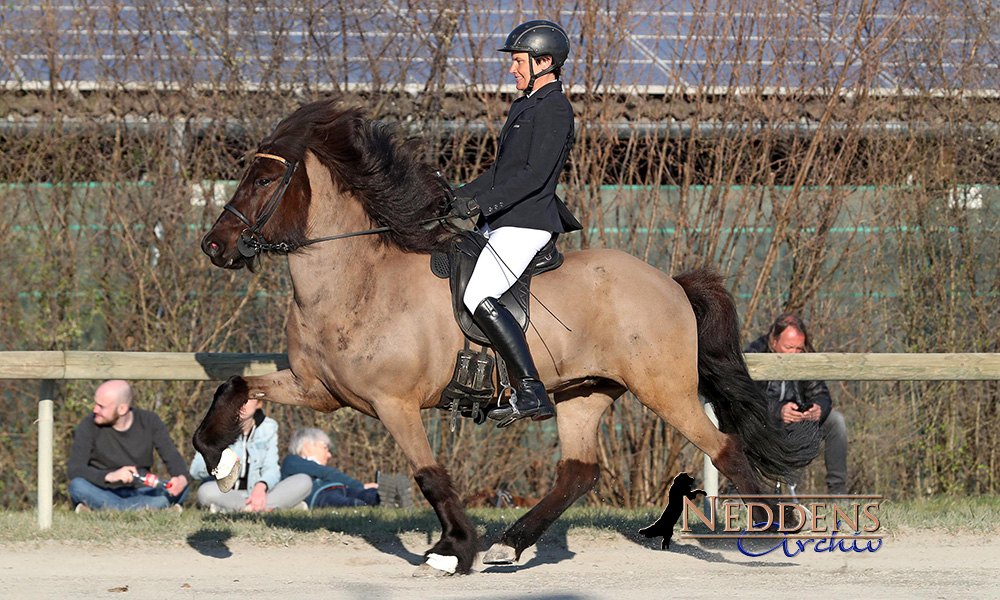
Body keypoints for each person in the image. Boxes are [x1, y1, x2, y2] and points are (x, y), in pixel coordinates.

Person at [451, 19, 582, 427]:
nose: (512, 69)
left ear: (545, 61)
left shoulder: (555, 109)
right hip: (501, 220)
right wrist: (457, 196)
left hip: (525, 223)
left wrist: (480, 204)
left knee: (479, 294)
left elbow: (533, 176)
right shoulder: (525, 105)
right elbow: (500, 172)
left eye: (519, 61)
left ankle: (531, 390)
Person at [745, 313, 849, 495]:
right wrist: (778, 411)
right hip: (763, 422)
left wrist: (818, 409)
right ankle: (740, 494)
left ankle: (839, 494)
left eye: (798, 348)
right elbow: (747, 399)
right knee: (742, 424)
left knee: (836, 421)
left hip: (799, 421)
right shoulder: (754, 354)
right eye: (788, 347)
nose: (794, 353)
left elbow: (821, 393)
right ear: (774, 341)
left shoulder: (807, 355)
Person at [66, 380, 190, 511]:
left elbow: (173, 458)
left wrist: (180, 480)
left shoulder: (149, 421)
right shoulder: (89, 424)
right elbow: (75, 469)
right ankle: (147, 509)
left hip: (143, 490)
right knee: (77, 486)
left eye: (101, 406)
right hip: (102, 490)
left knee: (183, 488)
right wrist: (109, 476)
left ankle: (107, 509)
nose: (95, 409)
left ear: (122, 409)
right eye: (95, 404)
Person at [189, 397, 311, 512]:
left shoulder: (269, 427)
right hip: (229, 494)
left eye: (247, 399)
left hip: (260, 494)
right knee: (205, 491)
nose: (241, 403)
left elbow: (272, 469)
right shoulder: (213, 428)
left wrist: (261, 486)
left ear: (259, 403)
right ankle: (271, 507)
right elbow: (195, 470)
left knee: (304, 480)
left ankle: (236, 509)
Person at [281, 428, 413, 508]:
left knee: (365, 494)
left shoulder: (309, 464)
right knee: (343, 502)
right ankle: (363, 508)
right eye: (325, 448)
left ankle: (391, 498)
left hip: (341, 488)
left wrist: (364, 488)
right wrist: (360, 485)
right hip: (320, 495)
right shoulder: (291, 461)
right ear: (308, 446)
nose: (329, 455)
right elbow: (325, 472)